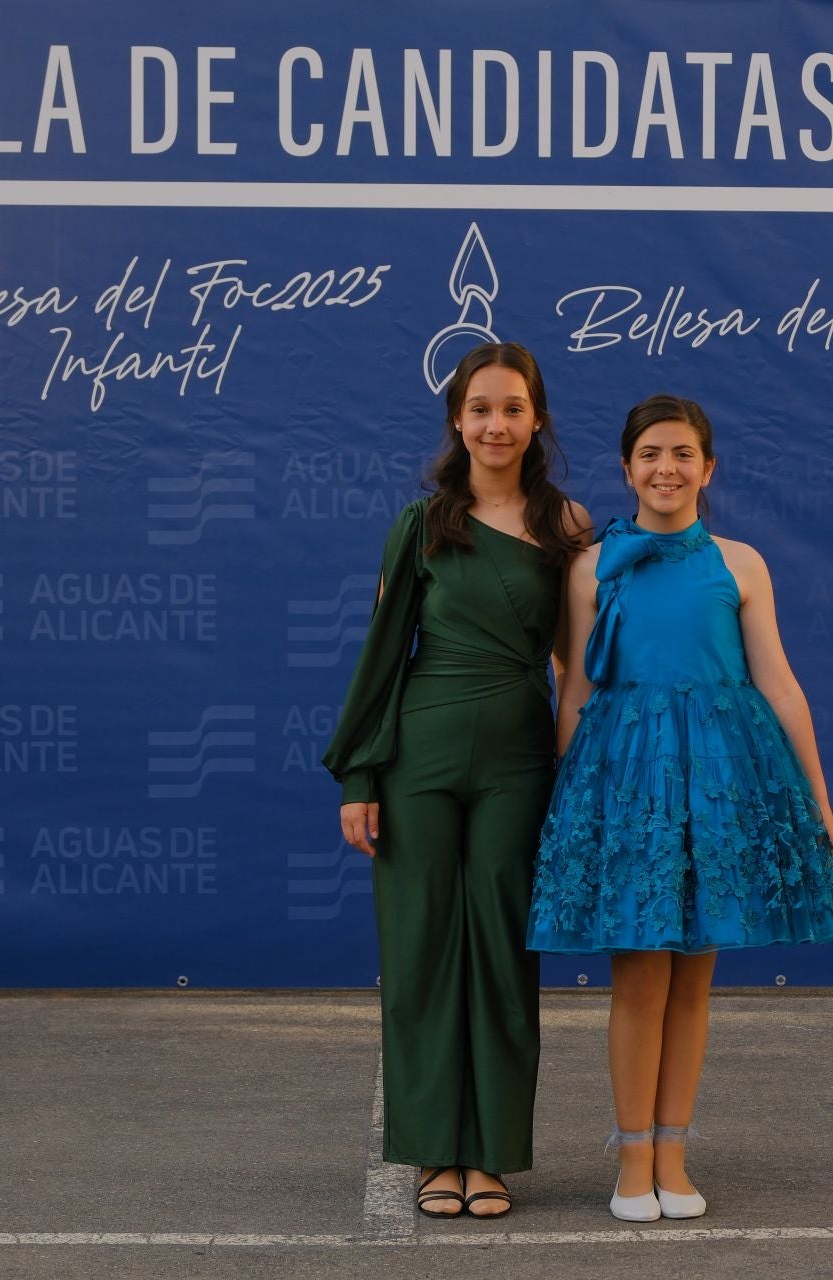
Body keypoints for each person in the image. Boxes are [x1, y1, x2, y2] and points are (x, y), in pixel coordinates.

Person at [529, 394, 833, 1222]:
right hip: (626, 785)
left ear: (708, 469)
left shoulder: (741, 563)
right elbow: (573, 691)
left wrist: (815, 794)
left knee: (694, 982)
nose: (665, 468)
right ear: (626, 467)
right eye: (649, 454)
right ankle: (632, 1159)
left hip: (720, 783)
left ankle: (675, 1151)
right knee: (638, 976)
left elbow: (777, 684)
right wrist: (568, 806)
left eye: (682, 454)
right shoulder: (589, 565)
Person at [323, 342, 590, 1221]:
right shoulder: (420, 524)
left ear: (537, 419)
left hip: (519, 763)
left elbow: (576, 669)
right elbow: (381, 656)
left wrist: (574, 776)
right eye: (480, 408)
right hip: (418, 761)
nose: (496, 424)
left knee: (507, 956)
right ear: (457, 420)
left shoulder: (569, 528)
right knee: (421, 954)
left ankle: (493, 1159)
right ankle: (436, 1153)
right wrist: (360, 774)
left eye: (513, 408)